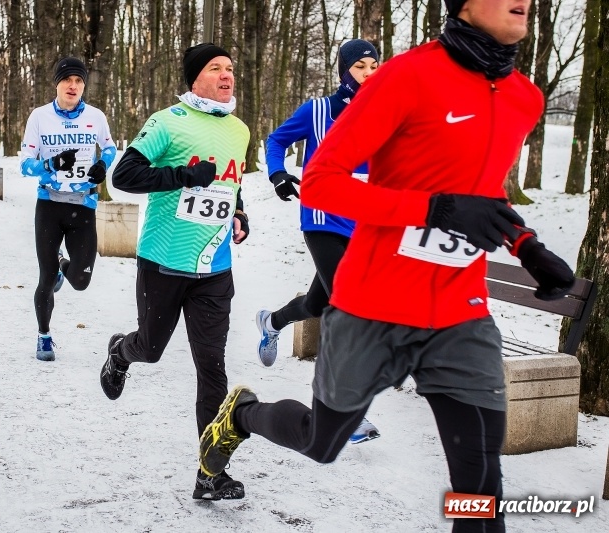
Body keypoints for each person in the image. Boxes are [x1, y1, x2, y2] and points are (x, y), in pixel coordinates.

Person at [199, 2, 575, 531]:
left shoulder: (524, 97)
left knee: (481, 488)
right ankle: (240, 415)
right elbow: (325, 180)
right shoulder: (408, 76)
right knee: (319, 442)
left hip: (458, 312)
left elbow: (485, 190)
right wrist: (435, 208)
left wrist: (526, 245)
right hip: (372, 305)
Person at [101, 43, 250, 501]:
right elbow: (122, 176)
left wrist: (240, 213)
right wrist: (185, 177)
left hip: (214, 268)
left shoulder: (240, 129)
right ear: (195, 78)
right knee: (152, 348)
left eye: (230, 68)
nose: (227, 75)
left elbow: (229, 183)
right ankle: (121, 354)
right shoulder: (168, 122)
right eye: (215, 68)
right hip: (163, 262)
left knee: (213, 370)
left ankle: (211, 473)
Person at [256, 39, 381, 444]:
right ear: (345, 71)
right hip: (323, 217)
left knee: (318, 303)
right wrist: (278, 174)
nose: (369, 73)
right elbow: (276, 140)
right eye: (361, 67)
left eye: (375, 66)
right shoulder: (318, 111)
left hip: (363, 224)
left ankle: (271, 322)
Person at [19, 57, 117, 362]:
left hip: (83, 206)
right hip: (49, 205)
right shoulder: (39, 117)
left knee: (81, 281)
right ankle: (44, 336)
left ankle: (65, 265)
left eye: (79, 81)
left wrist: (102, 164)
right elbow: (25, 165)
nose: (73, 86)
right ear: (57, 84)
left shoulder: (96, 116)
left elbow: (111, 147)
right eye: (67, 80)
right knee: (45, 279)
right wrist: (49, 164)